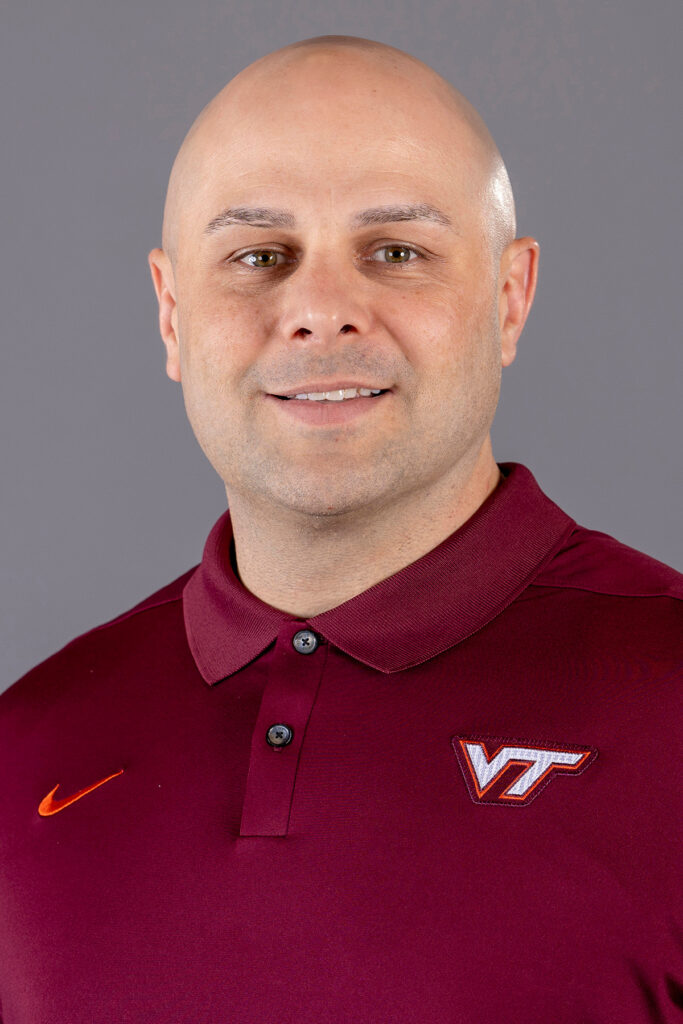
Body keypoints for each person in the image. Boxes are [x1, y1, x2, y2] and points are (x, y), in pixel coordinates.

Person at [0, 34, 680, 1024]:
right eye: (258, 256)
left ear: (508, 298)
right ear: (171, 314)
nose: (320, 311)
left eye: (396, 251)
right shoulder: (25, 746)